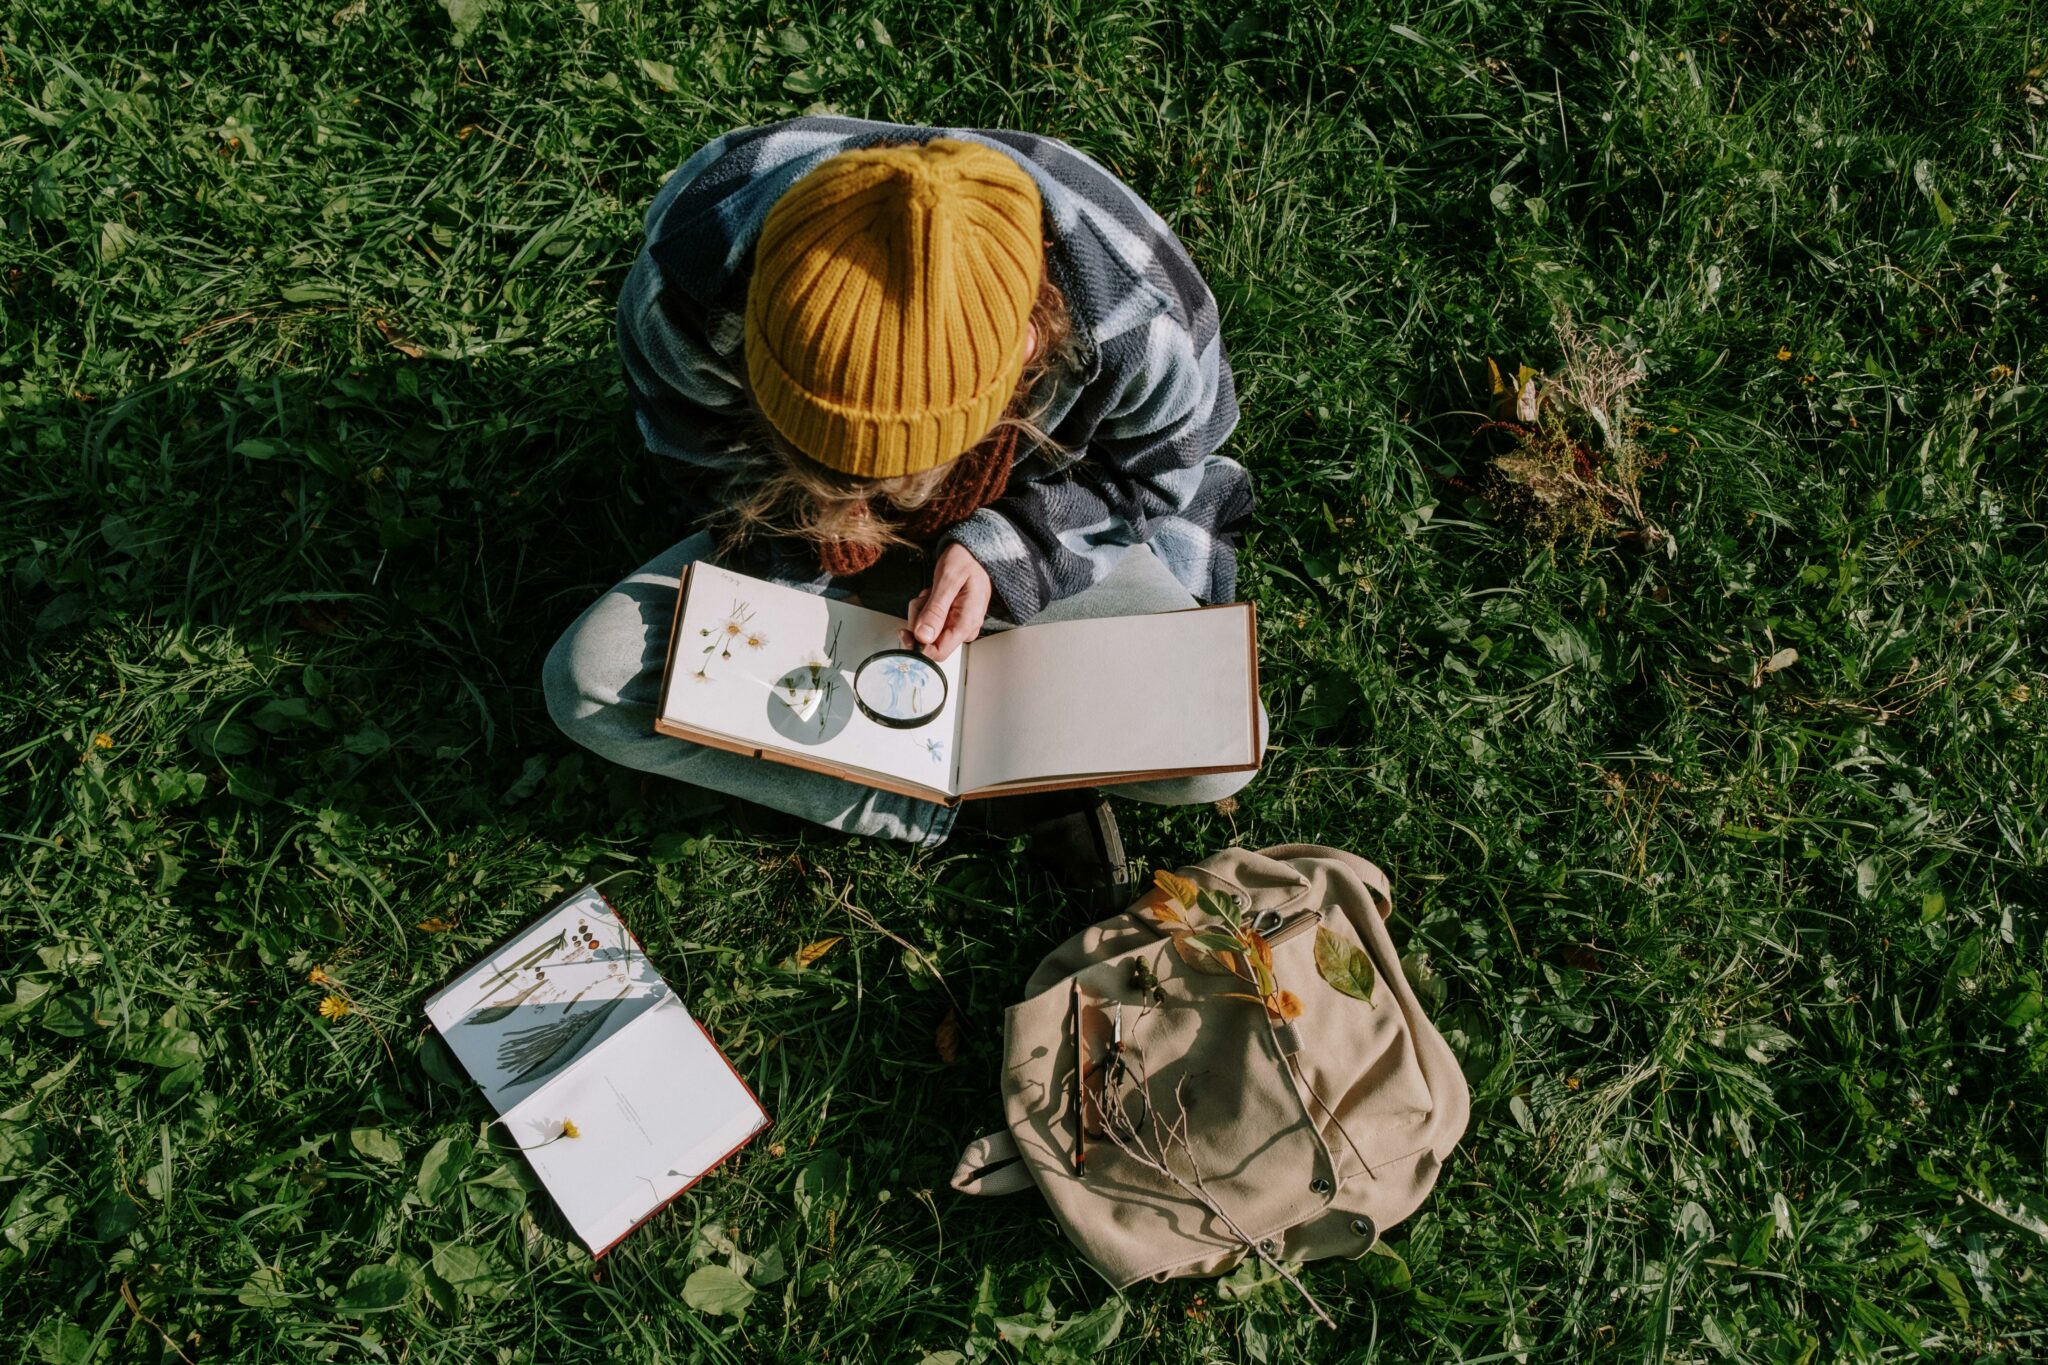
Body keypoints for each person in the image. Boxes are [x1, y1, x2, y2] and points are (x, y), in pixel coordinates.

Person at [545, 117, 1258, 906]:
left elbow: (1152, 475)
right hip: (799, 539)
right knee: (592, 681)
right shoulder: (688, 289)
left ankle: (974, 753)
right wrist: (808, 531)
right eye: (823, 460)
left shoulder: (1138, 316)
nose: (874, 504)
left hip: (1042, 520)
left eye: (902, 477)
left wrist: (1004, 548)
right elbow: (699, 457)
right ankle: (961, 795)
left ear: (1027, 349)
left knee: (1220, 749)